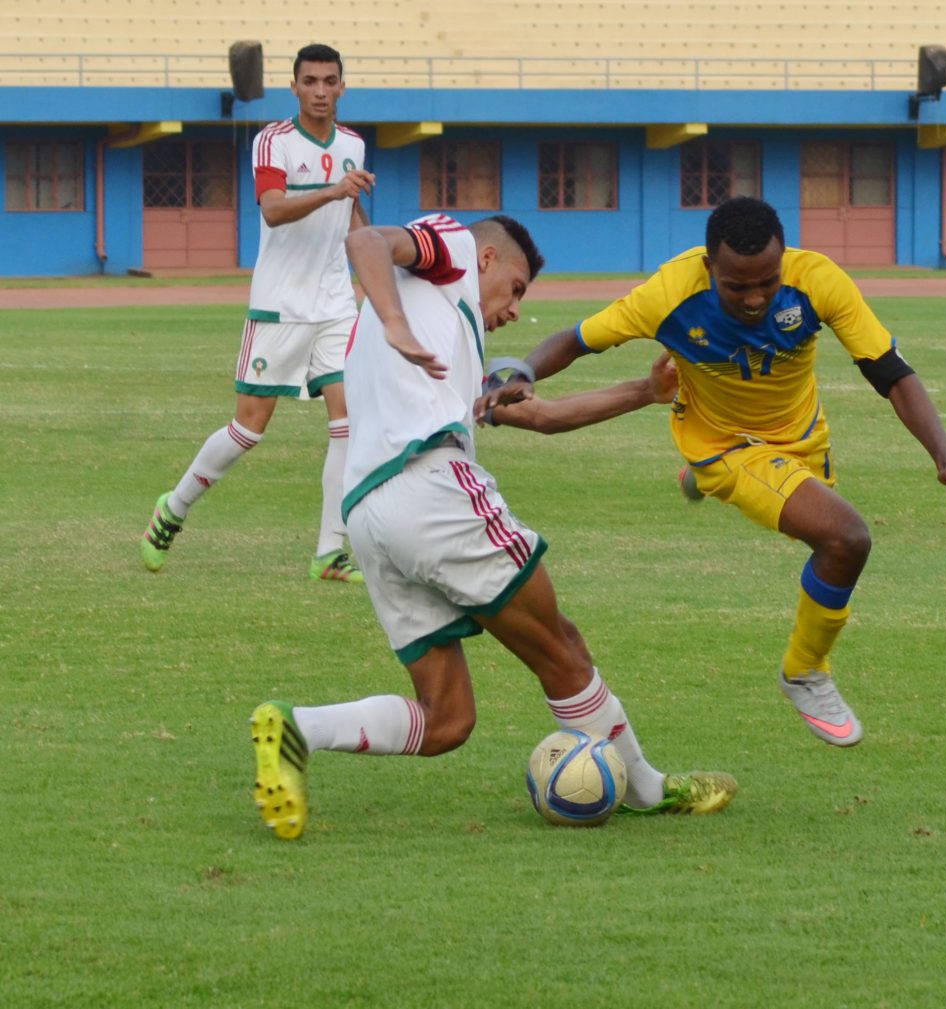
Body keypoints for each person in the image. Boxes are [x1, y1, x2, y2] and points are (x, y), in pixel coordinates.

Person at [249, 212, 737, 839]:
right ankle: (647, 788)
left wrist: (644, 391)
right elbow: (365, 240)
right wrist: (395, 323)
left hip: (368, 515)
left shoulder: (448, 343)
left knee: (446, 720)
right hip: (430, 485)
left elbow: (546, 417)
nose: (514, 310)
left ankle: (296, 727)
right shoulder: (450, 248)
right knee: (560, 644)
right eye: (517, 288)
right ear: (485, 259)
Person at [521, 196, 946, 748]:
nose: (754, 297)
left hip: (802, 441)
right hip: (724, 445)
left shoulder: (818, 281)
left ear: (783, 259)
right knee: (845, 539)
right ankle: (804, 671)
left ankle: (699, 483)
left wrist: (945, 457)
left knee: (826, 528)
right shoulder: (669, 295)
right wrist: (520, 370)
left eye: (766, 281)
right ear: (709, 267)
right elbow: (575, 341)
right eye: (736, 287)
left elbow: (889, 370)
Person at [141, 43, 376, 583]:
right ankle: (172, 509)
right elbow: (273, 211)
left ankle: (329, 551)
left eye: (330, 81)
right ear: (293, 87)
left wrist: (376, 284)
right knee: (249, 429)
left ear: (343, 87)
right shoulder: (274, 142)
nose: (320, 91)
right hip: (280, 305)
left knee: (348, 422)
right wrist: (333, 189)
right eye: (310, 81)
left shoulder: (354, 146)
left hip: (336, 304)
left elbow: (352, 215)